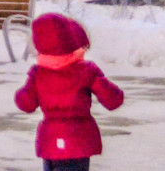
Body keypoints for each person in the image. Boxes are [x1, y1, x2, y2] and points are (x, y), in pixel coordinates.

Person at [14, 12, 125, 170]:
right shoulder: (86, 71)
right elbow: (113, 100)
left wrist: (22, 94)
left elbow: (26, 104)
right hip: (78, 143)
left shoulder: (38, 74)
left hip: (50, 142)